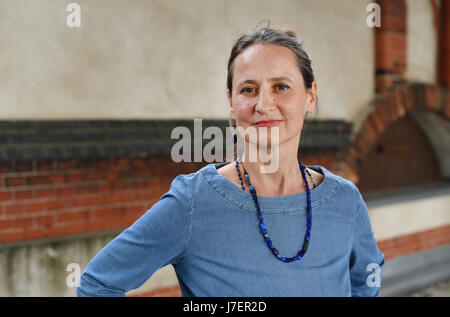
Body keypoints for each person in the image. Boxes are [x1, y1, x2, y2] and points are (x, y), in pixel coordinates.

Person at [76, 24, 385, 297]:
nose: (263, 105)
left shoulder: (346, 200)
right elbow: (98, 284)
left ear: (310, 96)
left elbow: (366, 280)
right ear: (232, 104)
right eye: (248, 89)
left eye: (282, 87)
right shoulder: (193, 202)